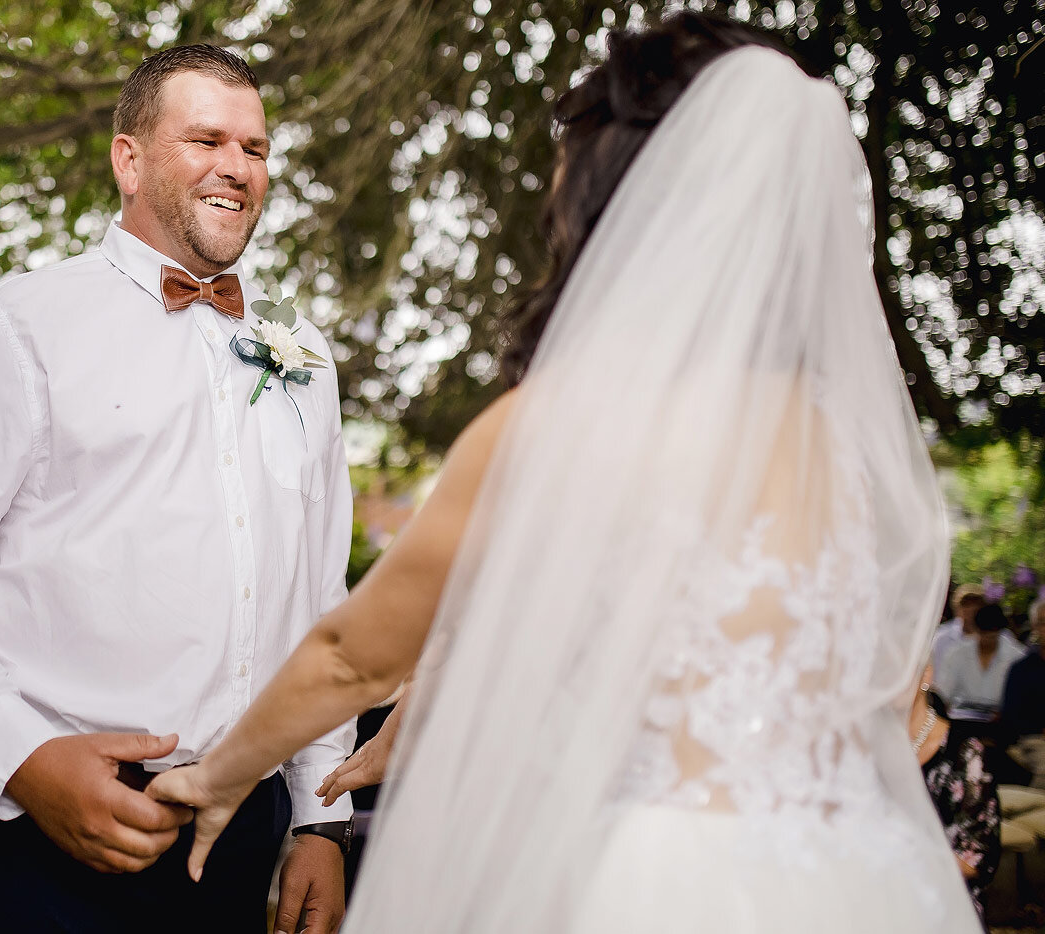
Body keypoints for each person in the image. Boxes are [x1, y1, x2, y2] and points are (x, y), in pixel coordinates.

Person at [147, 14, 982, 932]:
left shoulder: (568, 422)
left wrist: (218, 778)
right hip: (858, 883)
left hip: (660, 889)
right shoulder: (851, 452)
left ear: (621, 185)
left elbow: (353, 653)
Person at [0, 44, 355, 933]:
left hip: (235, 829)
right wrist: (24, 762)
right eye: (206, 140)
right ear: (129, 159)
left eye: (256, 149)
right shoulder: (22, 326)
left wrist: (321, 816)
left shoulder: (302, 355)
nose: (237, 169)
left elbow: (319, 602)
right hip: (32, 833)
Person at [911, 663, 1001, 926]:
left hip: (944, 905)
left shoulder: (965, 751)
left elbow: (974, 858)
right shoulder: (863, 752)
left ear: (926, 673)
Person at [937, 603, 1027, 724]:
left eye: (992, 635)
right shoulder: (957, 653)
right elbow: (944, 692)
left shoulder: (1017, 656)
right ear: (977, 630)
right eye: (984, 634)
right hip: (961, 719)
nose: (987, 639)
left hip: (1001, 721)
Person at [1002, 599, 1045, 784]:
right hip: (1034, 741)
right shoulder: (1022, 669)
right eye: (1043, 622)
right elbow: (1012, 715)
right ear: (1035, 627)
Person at [932, 585, 988, 673]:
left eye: (975, 610)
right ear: (957, 609)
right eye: (966, 607)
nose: (970, 614)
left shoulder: (999, 636)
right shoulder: (942, 637)